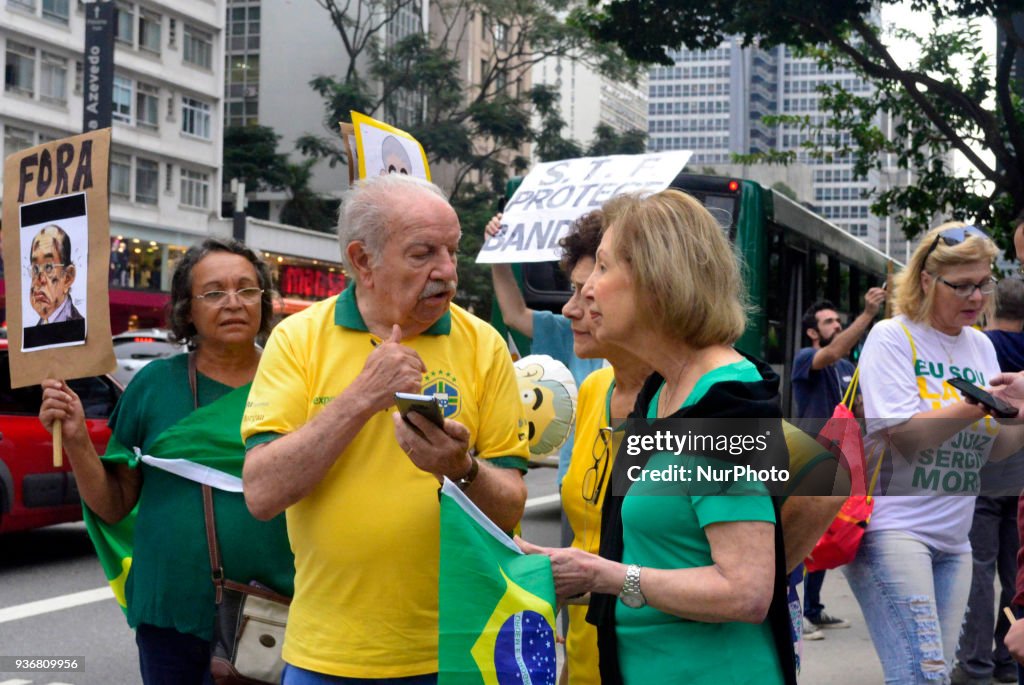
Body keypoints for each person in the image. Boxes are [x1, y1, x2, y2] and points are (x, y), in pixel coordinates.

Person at [240, 174, 529, 683]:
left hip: (463, 648)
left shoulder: (484, 345)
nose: (446, 272)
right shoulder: (297, 338)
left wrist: (460, 469)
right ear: (362, 260)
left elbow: (510, 508)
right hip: (327, 655)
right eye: (422, 254)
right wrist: (361, 397)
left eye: (453, 251)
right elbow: (262, 492)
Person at [519, 188, 795, 685]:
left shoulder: (726, 405)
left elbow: (747, 592)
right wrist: (565, 568)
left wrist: (608, 576)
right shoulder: (661, 392)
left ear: (657, 279)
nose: (586, 292)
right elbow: (654, 556)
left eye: (602, 268)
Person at [37, 237, 293, 684]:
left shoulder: (295, 379)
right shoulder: (154, 385)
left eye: (247, 289)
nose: (233, 302)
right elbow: (115, 503)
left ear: (264, 301)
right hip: (169, 614)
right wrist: (77, 439)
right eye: (214, 292)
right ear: (186, 310)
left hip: (275, 611)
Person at [849, 222, 1024, 684]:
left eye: (983, 283)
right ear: (926, 280)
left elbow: (993, 450)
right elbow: (905, 436)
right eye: (962, 285)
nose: (976, 297)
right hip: (893, 531)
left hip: (955, 539)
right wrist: (975, 405)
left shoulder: (981, 345)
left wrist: (1019, 417)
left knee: (931, 676)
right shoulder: (892, 336)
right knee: (921, 677)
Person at [555, 211, 651, 685]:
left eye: (589, 287)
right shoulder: (594, 389)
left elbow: (826, 487)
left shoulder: (706, 392)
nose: (571, 309)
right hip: (588, 659)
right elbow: (588, 542)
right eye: (574, 289)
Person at [791, 293, 884, 639]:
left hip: (842, 459)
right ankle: (797, 613)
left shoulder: (847, 369)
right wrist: (868, 315)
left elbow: (860, 407)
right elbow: (832, 353)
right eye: (829, 322)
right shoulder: (807, 358)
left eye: (837, 320)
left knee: (830, 534)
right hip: (812, 456)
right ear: (813, 333)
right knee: (806, 536)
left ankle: (813, 609)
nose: (837, 325)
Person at [487, 212, 604, 486]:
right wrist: (497, 255)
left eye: (589, 293)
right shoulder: (571, 334)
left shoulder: (696, 390)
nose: (569, 309)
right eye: (574, 289)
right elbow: (514, 315)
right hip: (576, 489)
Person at [952, 277, 1024, 685]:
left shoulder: (979, 345)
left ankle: (975, 663)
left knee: (978, 569)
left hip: (984, 472)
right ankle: (1006, 655)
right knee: (1014, 574)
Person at [25, 224, 85, 349]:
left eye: (48, 267)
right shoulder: (32, 334)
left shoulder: (79, 330)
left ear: (68, 277)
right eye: (35, 268)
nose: (39, 280)